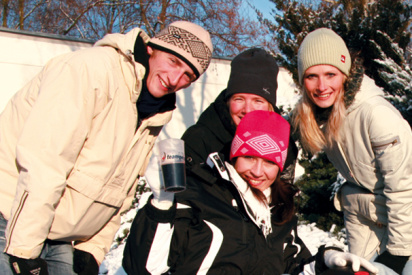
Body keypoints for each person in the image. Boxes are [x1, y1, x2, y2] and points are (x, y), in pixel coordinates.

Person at [0, 21, 213, 275]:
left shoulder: (154, 111)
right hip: (12, 219)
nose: (175, 79)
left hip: (57, 234)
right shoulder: (91, 71)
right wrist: (23, 249)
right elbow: (45, 161)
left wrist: (92, 248)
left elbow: (122, 187)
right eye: (174, 62)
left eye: (189, 75)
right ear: (151, 50)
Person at [122, 110, 379, 275]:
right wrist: (162, 204)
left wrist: (326, 260)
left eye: (269, 162)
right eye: (249, 157)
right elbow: (144, 268)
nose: (257, 171)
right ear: (234, 155)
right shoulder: (199, 196)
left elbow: (292, 267)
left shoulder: (277, 211)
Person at [293, 27, 412, 274]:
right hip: (362, 216)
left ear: (345, 74)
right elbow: (274, 131)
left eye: (330, 74)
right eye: (312, 76)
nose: (322, 85)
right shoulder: (316, 115)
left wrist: (399, 254)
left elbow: (402, 188)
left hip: (405, 219)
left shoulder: (375, 115)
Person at [181, 47, 298, 185]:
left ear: (269, 106)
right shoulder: (199, 139)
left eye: (258, 101)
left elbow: (284, 194)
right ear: (228, 101)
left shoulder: (283, 143)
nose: (247, 109)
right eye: (239, 99)